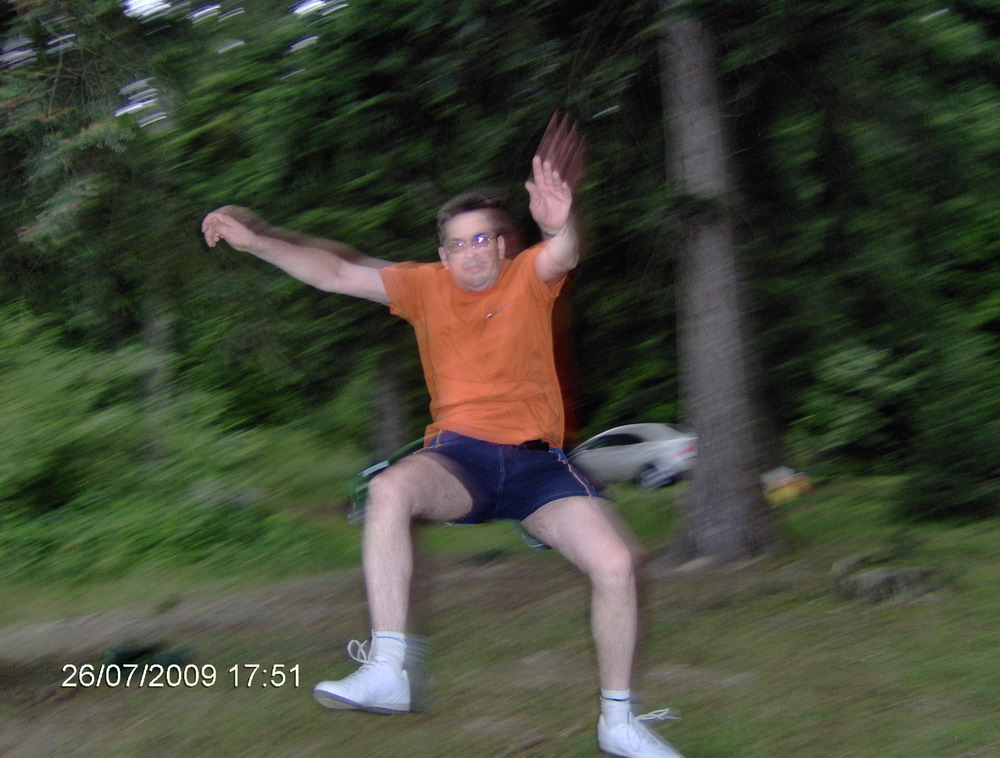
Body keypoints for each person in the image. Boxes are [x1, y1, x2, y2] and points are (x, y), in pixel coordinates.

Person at [201, 114, 685, 758]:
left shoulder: (528, 275)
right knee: (389, 490)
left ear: (502, 245)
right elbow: (334, 272)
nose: (472, 252)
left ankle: (618, 724)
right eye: (458, 243)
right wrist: (257, 241)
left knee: (619, 563)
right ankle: (388, 669)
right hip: (462, 459)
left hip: (540, 468)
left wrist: (560, 222)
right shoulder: (423, 287)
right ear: (443, 253)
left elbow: (564, 251)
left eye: (483, 238)